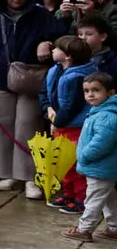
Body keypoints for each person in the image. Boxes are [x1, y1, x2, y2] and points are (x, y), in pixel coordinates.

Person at [0, 0, 65, 197]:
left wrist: (47, 43)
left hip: (31, 78)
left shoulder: (41, 14)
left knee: (28, 125)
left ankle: (30, 177)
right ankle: (8, 174)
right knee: (3, 126)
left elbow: (61, 37)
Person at [41, 35, 95, 214]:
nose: (53, 50)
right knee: (62, 163)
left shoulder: (78, 77)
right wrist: (48, 109)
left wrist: (58, 122)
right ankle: (69, 194)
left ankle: (81, 198)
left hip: (74, 128)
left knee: (75, 164)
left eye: (56, 48)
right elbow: (44, 93)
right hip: (60, 124)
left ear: (67, 56)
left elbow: (72, 105)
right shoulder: (55, 70)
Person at [63, 72, 117, 241]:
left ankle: (84, 229)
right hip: (101, 168)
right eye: (86, 91)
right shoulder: (99, 111)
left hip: (99, 167)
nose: (90, 94)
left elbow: (102, 143)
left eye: (96, 90)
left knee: (93, 199)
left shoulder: (107, 116)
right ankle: (114, 227)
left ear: (110, 93)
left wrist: (84, 156)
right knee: (109, 199)